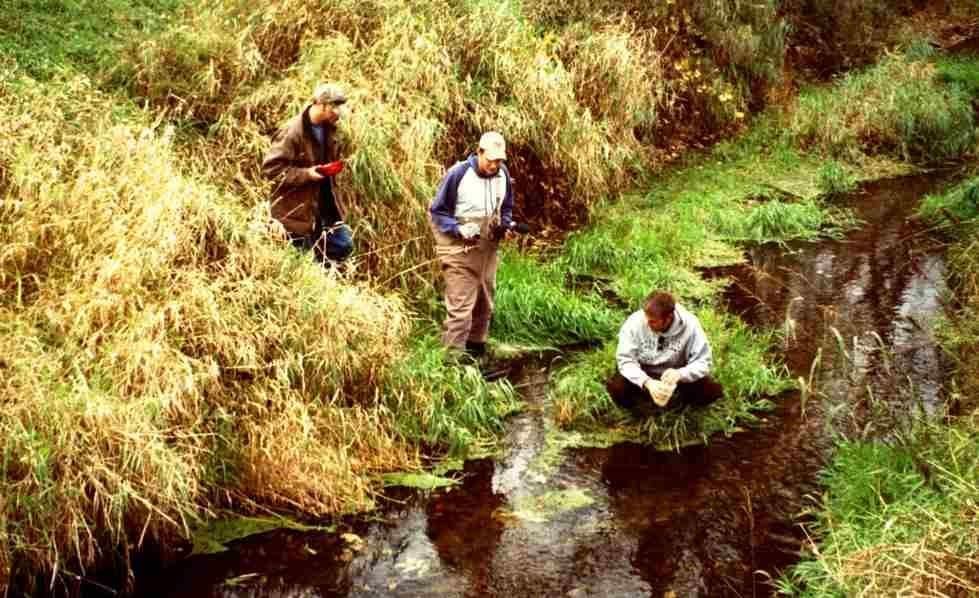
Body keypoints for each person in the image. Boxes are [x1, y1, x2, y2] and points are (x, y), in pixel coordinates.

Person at [429, 131, 520, 359]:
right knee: (460, 308)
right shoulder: (458, 174)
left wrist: (506, 225)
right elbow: (437, 211)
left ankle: (476, 352)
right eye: (490, 160)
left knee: (485, 301)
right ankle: (452, 361)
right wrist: (457, 229)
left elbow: (506, 207)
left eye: (499, 160)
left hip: (488, 250)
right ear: (479, 152)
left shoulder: (503, 174)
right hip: (458, 249)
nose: (495, 165)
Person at [262, 83, 353, 265]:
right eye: (334, 107)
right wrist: (307, 174)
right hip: (296, 211)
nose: (338, 113)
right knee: (304, 265)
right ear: (321, 105)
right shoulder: (292, 132)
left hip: (323, 207)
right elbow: (271, 170)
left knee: (343, 245)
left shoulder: (330, 129)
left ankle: (325, 269)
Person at [606, 290, 724, 416]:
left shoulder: (691, 325)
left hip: (675, 375)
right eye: (646, 318)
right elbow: (625, 360)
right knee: (617, 387)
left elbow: (703, 361)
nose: (647, 323)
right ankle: (644, 406)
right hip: (643, 371)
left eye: (652, 321)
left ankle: (678, 404)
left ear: (668, 318)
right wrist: (647, 382)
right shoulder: (634, 323)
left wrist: (680, 374)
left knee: (711, 391)